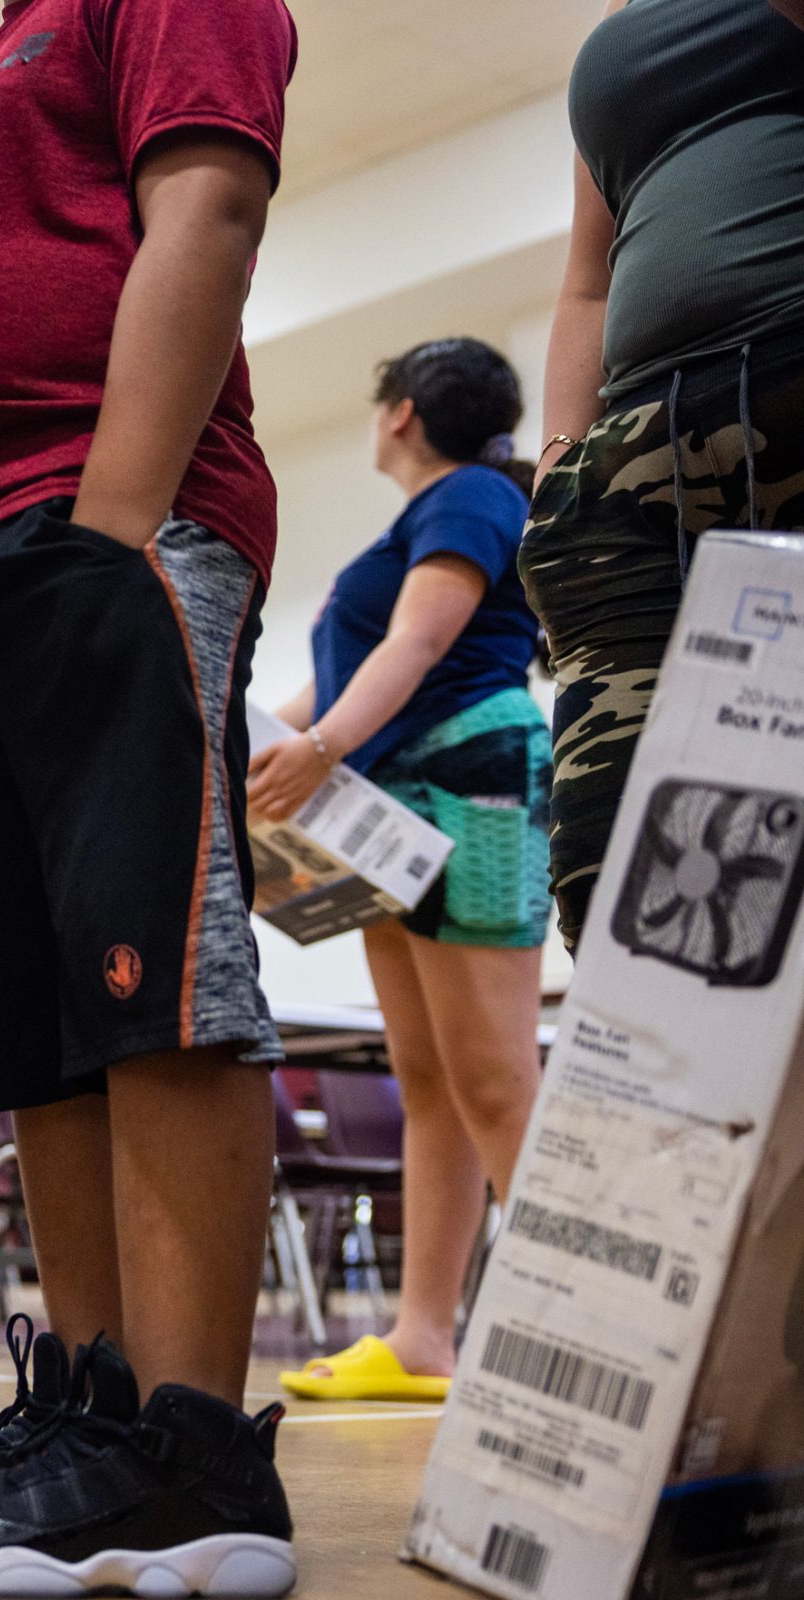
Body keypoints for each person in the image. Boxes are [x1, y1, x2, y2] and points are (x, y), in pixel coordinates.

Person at [0, 0, 302, 1599]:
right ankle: (92, 1412)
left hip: (95, 535)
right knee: (37, 1016)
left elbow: (210, 211)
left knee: (151, 973)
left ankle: (198, 1451)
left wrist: (111, 530)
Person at [250, 339, 548, 1405]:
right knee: (426, 1077)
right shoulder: (431, 511)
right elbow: (329, 685)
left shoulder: (468, 497)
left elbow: (419, 644)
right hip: (388, 805)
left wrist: (318, 747)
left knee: (495, 1080)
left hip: (470, 784)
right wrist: (239, 747)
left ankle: (580, 1331)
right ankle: (423, 1338)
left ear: (401, 414)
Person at [523, 0, 804, 951]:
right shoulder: (622, 13)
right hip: (632, 478)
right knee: (622, 903)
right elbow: (587, 278)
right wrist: (558, 474)